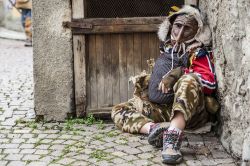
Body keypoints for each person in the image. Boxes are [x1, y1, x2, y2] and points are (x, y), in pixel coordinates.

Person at [111, 5, 217, 164]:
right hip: (166, 110)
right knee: (120, 109)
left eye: (187, 28)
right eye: (178, 26)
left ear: (197, 31)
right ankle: (155, 130)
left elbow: (210, 83)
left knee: (189, 80)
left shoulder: (199, 53)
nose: (180, 32)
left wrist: (181, 73)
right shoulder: (168, 50)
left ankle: (172, 139)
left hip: (193, 113)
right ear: (171, 26)